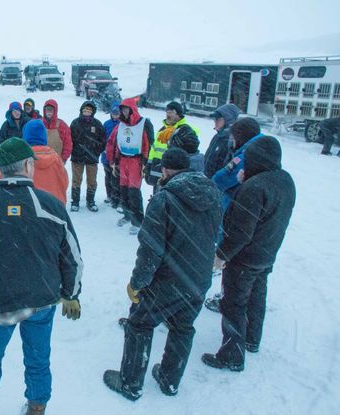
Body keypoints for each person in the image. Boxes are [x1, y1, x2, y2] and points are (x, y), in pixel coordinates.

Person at [0, 137, 83, 415]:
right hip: (41, 300)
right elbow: (72, 256)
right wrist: (71, 293)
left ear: (0, 168)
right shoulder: (51, 205)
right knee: (38, 361)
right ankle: (36, 409)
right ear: (28, 165)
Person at [104, 148, 221, 400]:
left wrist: (137, 283)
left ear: (166, 170)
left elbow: (150, 250)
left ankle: (130, 383)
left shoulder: (165, 199)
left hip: (169, 279)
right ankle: (170, 380)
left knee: (139, 323)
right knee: (182, 326)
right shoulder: (212, 193)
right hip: (199, 278)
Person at [202, 136, 296, 372]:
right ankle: (252, 339)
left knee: (233, 303)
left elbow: (241, 232)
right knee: (256, 297)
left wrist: (221, 255)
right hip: (267, 253)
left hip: (244, 258)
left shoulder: (254, 188)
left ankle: (232, 355)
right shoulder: (285, 180)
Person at [204, 117, 263, 312]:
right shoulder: (262, 148)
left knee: (230, 249)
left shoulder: (246, 153)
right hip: (258, 222)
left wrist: (212, 182)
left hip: (236, 205)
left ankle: (227, 297)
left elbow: (225, 177)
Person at [0, 120, 69, 205]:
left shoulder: (14, 158)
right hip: (54, 209)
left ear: (25, 135)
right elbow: (64, 183)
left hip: (24, 210)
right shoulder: (56, 159)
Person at [106, 98, 153, 234]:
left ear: (132, 109)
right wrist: (112, 160)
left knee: (134, 192)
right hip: (123, 161)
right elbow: (112, 143)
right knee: (124, 190)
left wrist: (145, 162)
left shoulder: (143, 124)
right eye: (122, 110)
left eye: (126, 109)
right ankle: (127, 215)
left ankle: (138, 221)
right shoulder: (120, 125)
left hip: (136, 162)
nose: (124, 112)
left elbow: (147, 144)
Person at [145, 102, 199, 191]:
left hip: (174, 172)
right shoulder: (162, 130)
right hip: (159, 169)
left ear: (178, 114)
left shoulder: (188, 130)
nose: (167, 115)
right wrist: (149, 164)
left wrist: (175, 135)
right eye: (167, 112)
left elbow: (191, 149)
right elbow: (154, 149)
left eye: (170, 112)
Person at [69, 101, 107, 212]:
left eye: (89, 110)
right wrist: (74, 151)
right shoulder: (75, 123)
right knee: (76, 180)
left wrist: (96, 152)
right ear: (81, 110)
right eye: (85, 110)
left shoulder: (97, 124)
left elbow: (103, 140)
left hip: (92, 158)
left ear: (93, 112)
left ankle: (90, 201)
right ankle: (75, 202)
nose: (87, 112)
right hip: (77, 157)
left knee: (92, 181)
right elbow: (70, 139)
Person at [204, 103, 240, 179]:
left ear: (228, 121)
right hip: (208, 180)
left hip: (217, 184)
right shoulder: (218, 136)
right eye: (214, 119)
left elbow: (227, 168)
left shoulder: (231, 141)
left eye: (218, 119)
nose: (215, 122)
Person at [102, 103, 120, 207]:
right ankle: (109, 195)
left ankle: (116, 197)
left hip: (117, 157)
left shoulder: (123, 124)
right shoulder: (106, 124)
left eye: (117, 114)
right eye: (114, 113)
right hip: (106, 156)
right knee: (108, 177)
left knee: (116, 178)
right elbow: (102, 138)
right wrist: (104, 149)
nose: (115, 116)